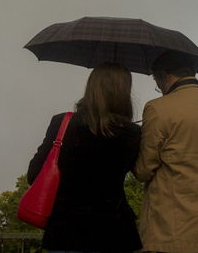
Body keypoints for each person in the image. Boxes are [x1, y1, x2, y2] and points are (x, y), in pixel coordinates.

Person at [27, 62, 143, 253]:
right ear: (125, 93)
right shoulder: (132, 133)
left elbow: (34, 175)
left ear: (91, 87)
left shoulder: (62, 123)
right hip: (114, 236)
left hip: (65, 235)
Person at [133, 51, 198, 253]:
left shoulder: (158, 108)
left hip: (173, 235)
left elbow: (143, 170)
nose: (160, 90)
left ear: (165, 76)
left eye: (158, 84)